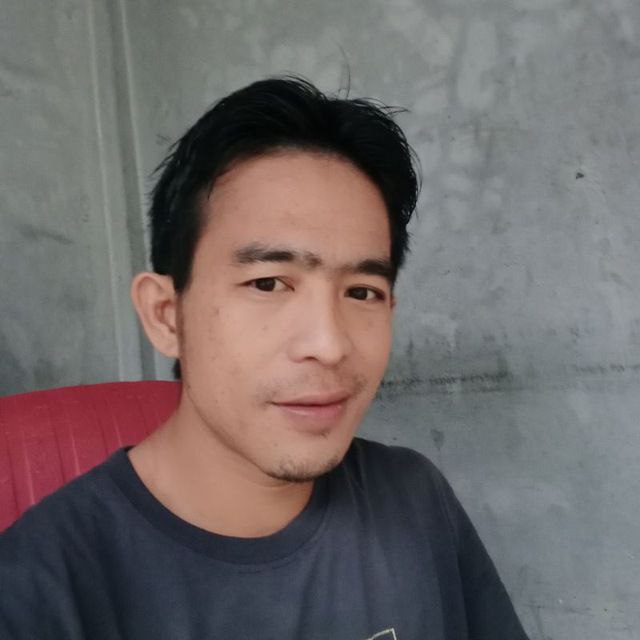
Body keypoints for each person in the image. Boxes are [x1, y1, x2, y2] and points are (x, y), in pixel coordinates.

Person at [0, 76, 529, 639]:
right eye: (269, 283)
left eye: (361, 292)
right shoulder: (35, 594)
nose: (329, 344)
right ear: (166, 316)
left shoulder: (415, 500)